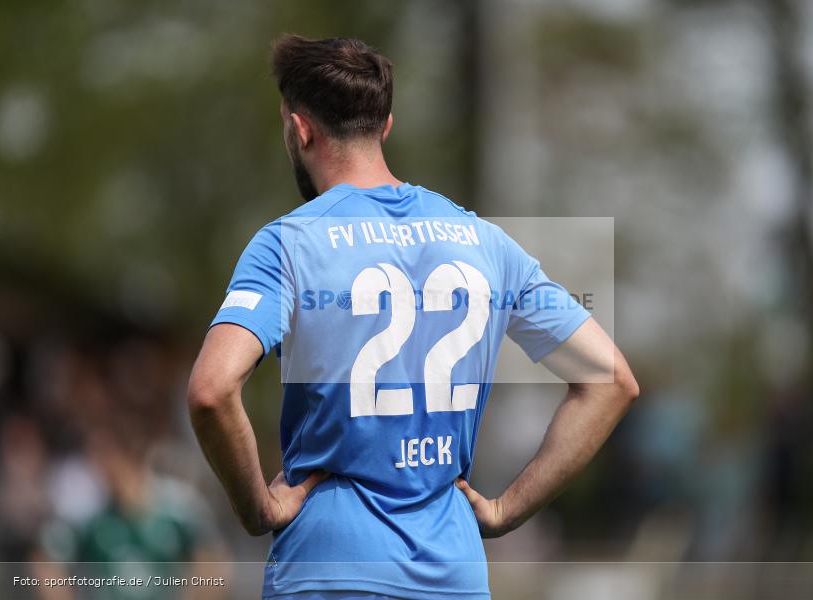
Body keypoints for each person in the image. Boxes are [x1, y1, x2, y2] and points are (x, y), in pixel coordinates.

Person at [187, 35, 639, 599]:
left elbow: (211, 389)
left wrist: (256, 506)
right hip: (454, 568)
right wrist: (505, 509)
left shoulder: (288, 244)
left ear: (300, 129)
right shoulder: (486, 242)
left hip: (330, 566)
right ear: (387, 126)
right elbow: (611, 380)